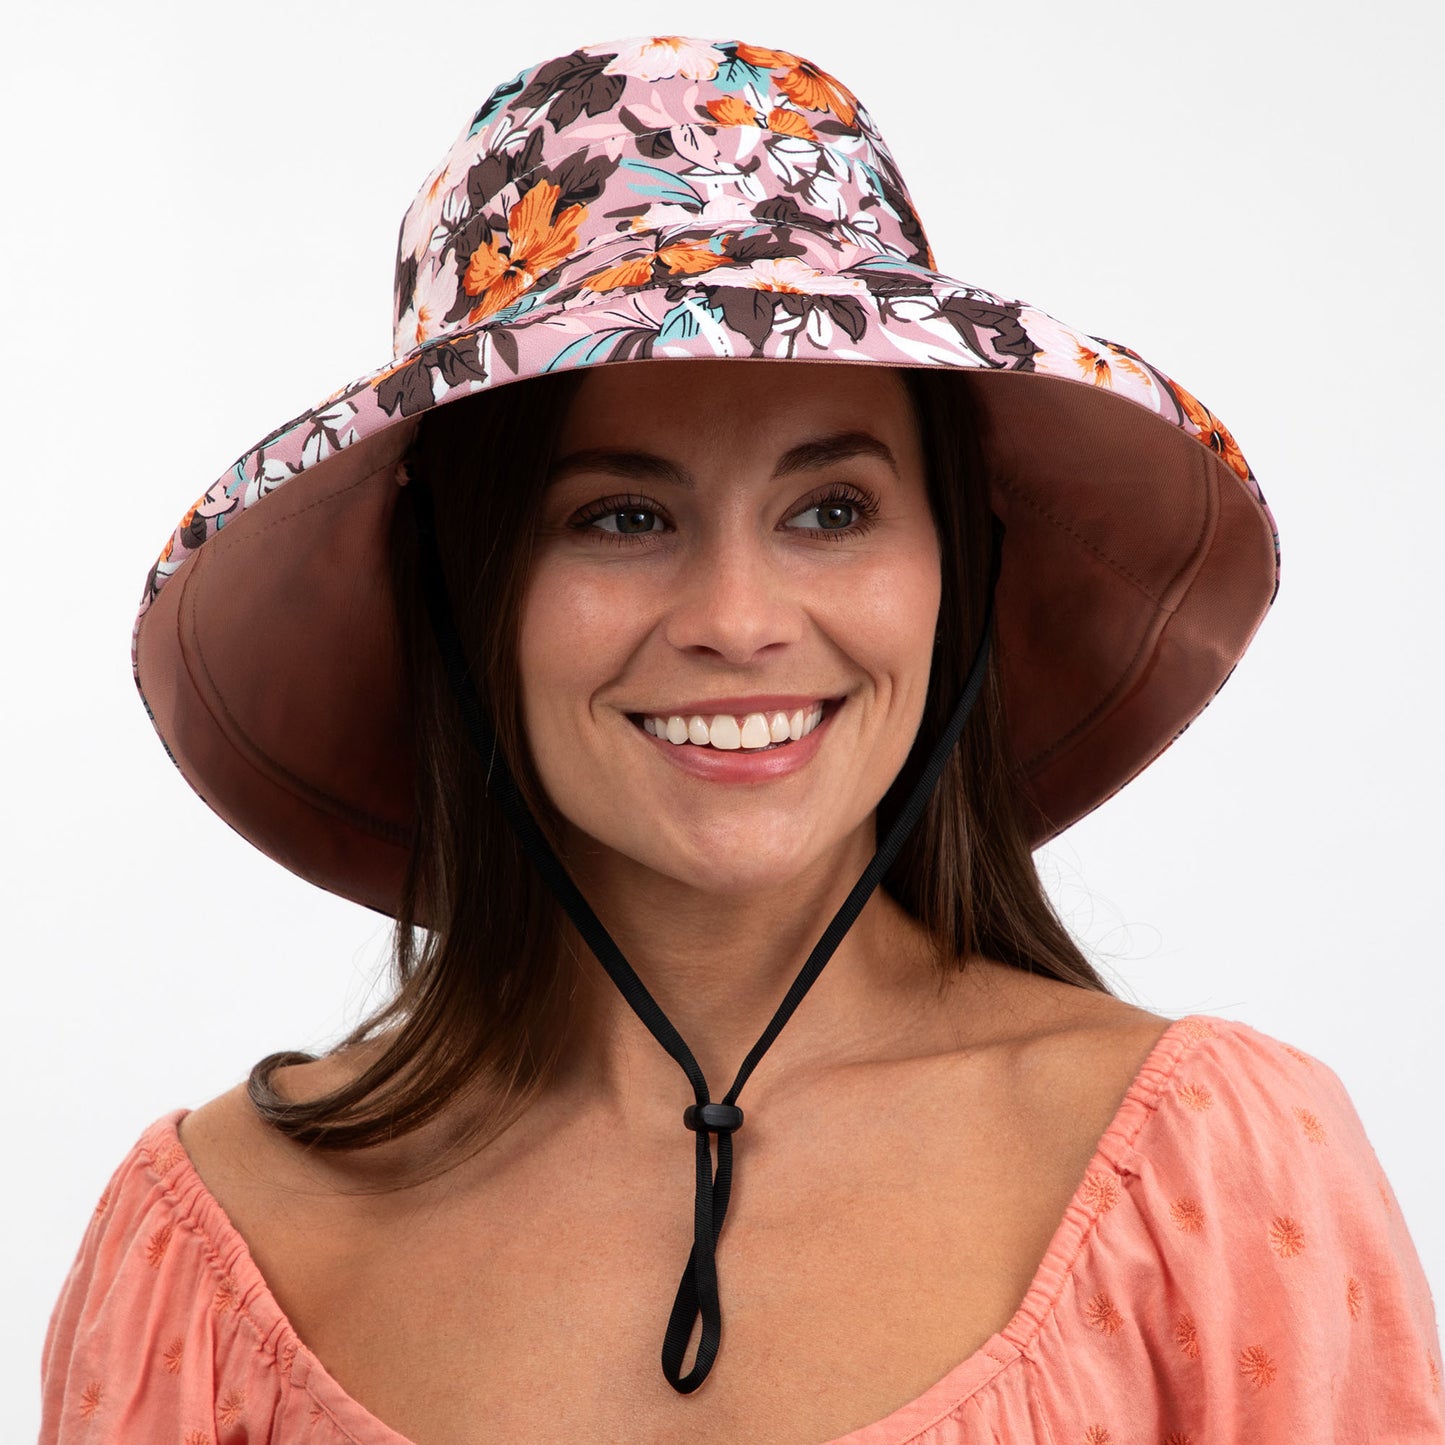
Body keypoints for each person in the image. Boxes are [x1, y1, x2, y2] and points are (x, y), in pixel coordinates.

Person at [42, 34, 1442, 1444]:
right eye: (619, 516)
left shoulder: (1210, 1173)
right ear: (461, 591)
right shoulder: (211, 1251)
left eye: (829, 509)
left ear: (958, 560)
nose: (736, 618)